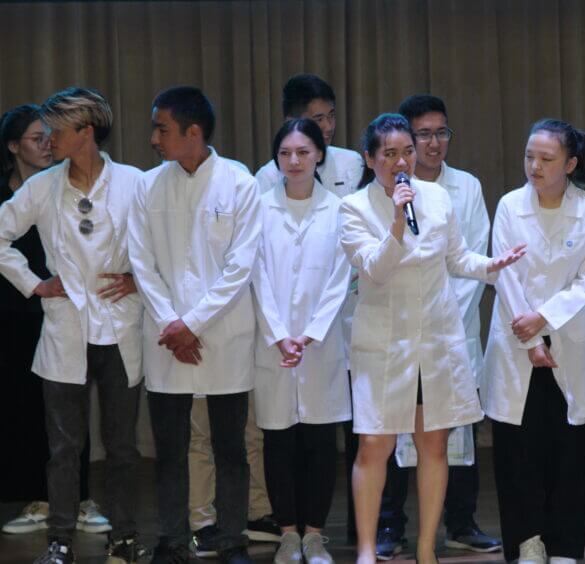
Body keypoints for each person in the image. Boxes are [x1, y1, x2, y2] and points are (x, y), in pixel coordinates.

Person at [339, 113, 525, 564]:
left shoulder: (438, 197)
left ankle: (426, 548)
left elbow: (457, 258)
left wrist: (491, 266)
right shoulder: (353, 208)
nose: (402, 161)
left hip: (435, 340)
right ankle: (366, 550)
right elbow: (375, 270)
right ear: (370, 159)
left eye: (407, 151)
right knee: (374, 446)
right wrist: (397, 221)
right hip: (384, 345)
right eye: (389, 154)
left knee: (434, 445)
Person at [0, 88, 145, 563]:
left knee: (122, 448)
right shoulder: (42, 187)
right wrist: (34, 284)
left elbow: (164, 247)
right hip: (66, 330)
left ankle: (124, 538)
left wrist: (137, 279)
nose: (48, 141)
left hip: (119, 329)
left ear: (85, 132)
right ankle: (60, 540)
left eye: (56, 131)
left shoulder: (134, 183)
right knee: (63, 447)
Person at [128, 86, 261, 564]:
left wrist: (194, 323)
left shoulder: (240, 184)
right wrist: (173, 323)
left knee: (230, 447)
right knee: (170, 449)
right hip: (167, 339)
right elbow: (141, 262)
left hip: (223, 335)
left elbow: (240, 267)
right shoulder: (148, 186)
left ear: (194, 132)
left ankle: (232, 537)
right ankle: (171, 538)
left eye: (161, 129)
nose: (154, 139)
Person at [370, 94, 501, 559]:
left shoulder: (464, 187)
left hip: (452, 326)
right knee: (392, 432)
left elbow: (468, 258)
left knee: (452, 432)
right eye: (422, 135)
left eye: (440, 133)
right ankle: (391, 526)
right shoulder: (380, 195)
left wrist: (442, 316)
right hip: (400, 332)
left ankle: (461, 522)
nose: (432, 143)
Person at [484, 119, 585, 564]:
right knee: (518, 450)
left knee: (569, 449)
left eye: (546, 159)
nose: (534, 166)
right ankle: (528, 542)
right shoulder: (509, 206)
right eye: (529, 156)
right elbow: (504, 275)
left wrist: (543, 320)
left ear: (570, 164)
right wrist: (532, 337)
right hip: (517, 341)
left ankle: (565, 545)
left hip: (567, 340)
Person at [254, 73, 364, 542]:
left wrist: (311, 333)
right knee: (278, 442)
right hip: (274, 345)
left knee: (321, 442)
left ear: (319, 154)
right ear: (276, 159)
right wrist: (281, 334)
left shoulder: (339, 209)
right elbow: (256, 277)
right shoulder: (259, 207)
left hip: (322, 344)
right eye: (285, 153)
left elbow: (341, 279)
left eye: (303, 152)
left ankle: (315, 535)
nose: (294, 161)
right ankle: (287, 535)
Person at [255, 73, 364, 198]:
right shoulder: (268, 178)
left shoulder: (351, 162)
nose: (328, 127)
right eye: (318, 119)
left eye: (331, 116)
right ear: (291, 121)